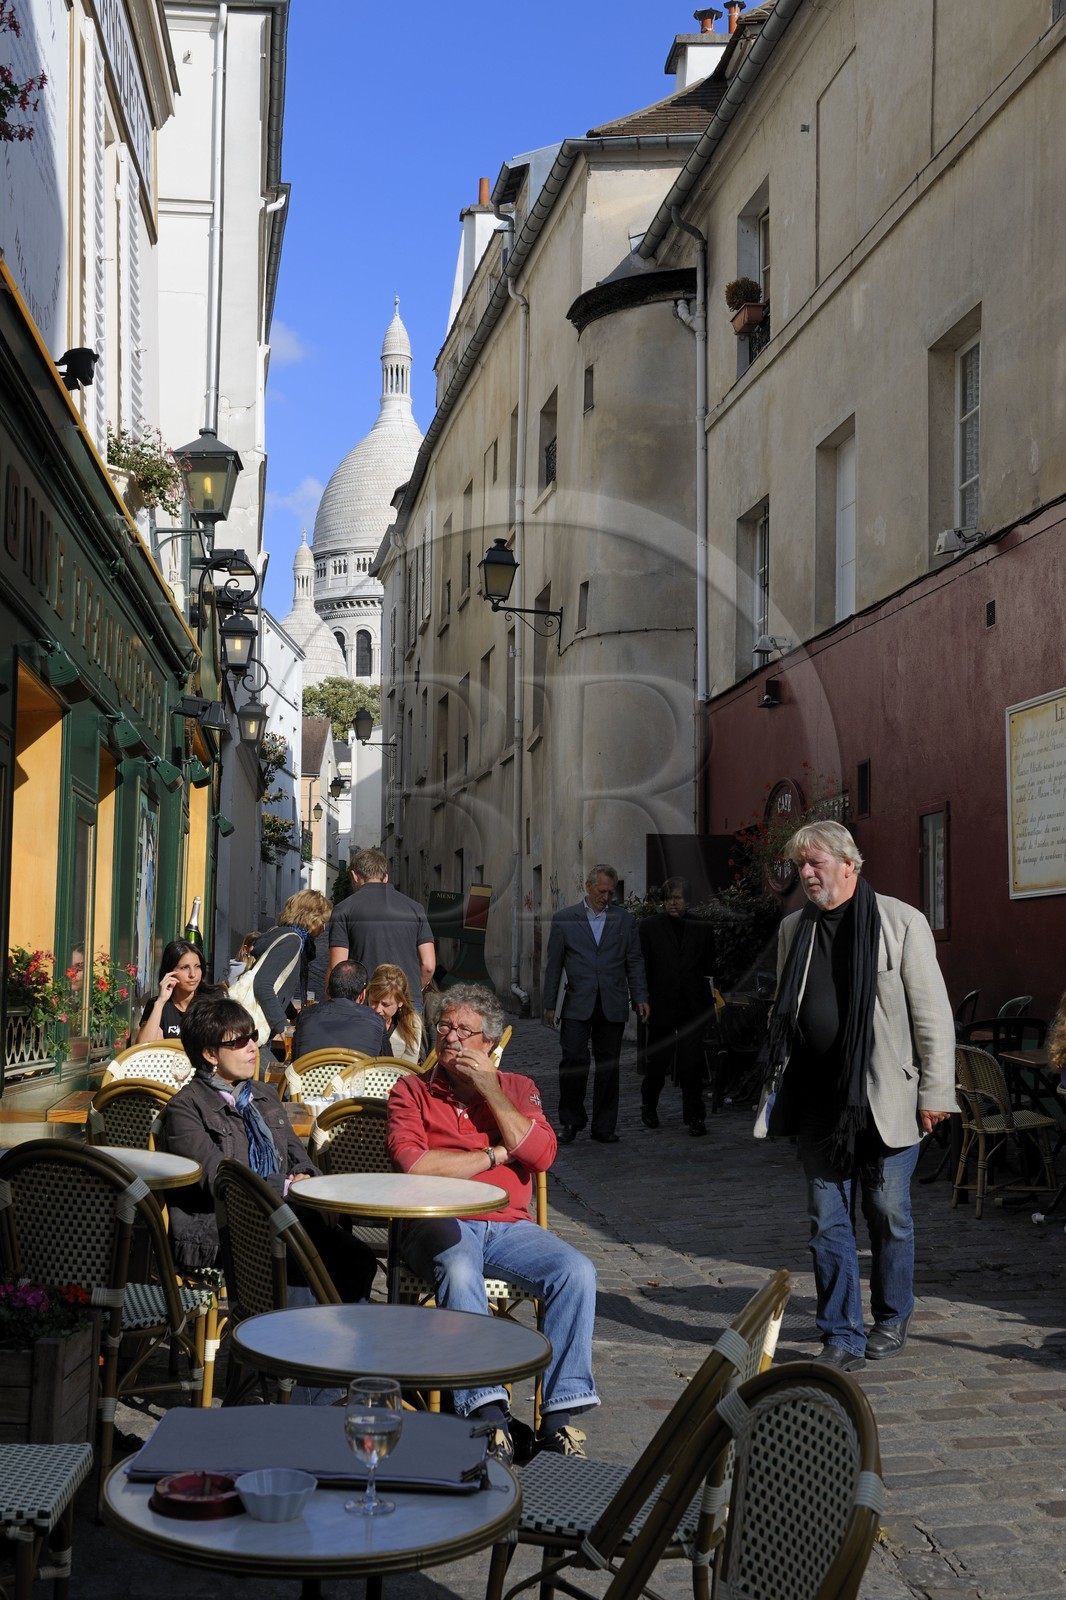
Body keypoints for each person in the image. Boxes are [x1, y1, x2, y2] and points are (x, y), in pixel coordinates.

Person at [762, 821, 955, 1370]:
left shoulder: (900, 922)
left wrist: (937, 1091)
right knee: (827, 1221)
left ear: (850, 864)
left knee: (886, 1211)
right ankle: (841, 1333)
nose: (805, 874)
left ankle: (892, 1315)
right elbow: (788, 1011)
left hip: (887, 1099)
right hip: (819, 1102)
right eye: (800, 865)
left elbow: (933, 1017)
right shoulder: (794, 929)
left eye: (815, 863)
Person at [386, 983, 599, 1464]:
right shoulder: (412, 1091)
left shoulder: (519, 1089)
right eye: (445, 1026)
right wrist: (496, 1154)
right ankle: (488, 1413)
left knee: (576, 1271)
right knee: (461, 1272)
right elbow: (416, 1166)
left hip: (507, 1227)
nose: (452, 1038)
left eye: (465, 1030)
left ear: (491, 1043)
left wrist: (491, 1090)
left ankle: (557, 1420)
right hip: (438, 1220)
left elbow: (542, 1154)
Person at [163, 994, 376, 1300]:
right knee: (298, 1269)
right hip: (223, 1230)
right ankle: (293, 1342)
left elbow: (296, 1153)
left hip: (284, 1218)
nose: (252, 1047)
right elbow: (222, 1179)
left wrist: (307, 1177)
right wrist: (290, 1190)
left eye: (254, 1037)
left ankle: (340, 1341)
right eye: (239, 1042)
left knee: (357, 1259)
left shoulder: (263, 1095)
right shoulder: (186, 1108)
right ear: (210, 1054)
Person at [543, 864, 649, 1144]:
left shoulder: (624, 920)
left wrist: (641, 997)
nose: (606, 897)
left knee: (608, 1066)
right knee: (573, 1059)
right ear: (588, 887)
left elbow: (634, 960)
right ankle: (570, 1120)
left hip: (611, 1001)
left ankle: (604, 1126)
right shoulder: (565, 919)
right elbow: (554, 964)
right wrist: (549, 1003)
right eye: (602, 891)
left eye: (611, 892)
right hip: (577, 1001)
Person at [638, 879, 718, 1137]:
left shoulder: (702, 928)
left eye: (678, 898)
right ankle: (648, 1106)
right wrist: (641, 1000)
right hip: (660, 1005)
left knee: (691, 1064)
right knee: (657, 1063)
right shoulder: (649, 928)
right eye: (669, 898)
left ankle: (695, 1116)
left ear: (688, 901)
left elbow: (709, 968)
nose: (672, 902)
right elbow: (642, 967)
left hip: (692, 1007)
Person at [327, 848, 435, 1012]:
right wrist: (410, 989)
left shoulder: (344, 909)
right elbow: (428, 965)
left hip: (367, 1002)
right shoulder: (415, 908)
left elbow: (338, 967)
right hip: (407, 1001)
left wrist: (329, 1004)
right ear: (385, 877)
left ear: (355, 876)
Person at [249, 891, 332, 1052]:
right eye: (323, 922)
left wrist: (294, 1016)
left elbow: (279, 988)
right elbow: (262, 984)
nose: (323, 928)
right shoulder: (292, 941)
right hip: (256, 1028)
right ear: (311, 917)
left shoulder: (282, 935)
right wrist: (282, 1026)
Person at [291, 960, 389, 1059]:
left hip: (310, 1073)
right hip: (358, 1074)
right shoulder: (376, 1021)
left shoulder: (305, 1016)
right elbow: (387, 1066)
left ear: (328, 991)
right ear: (362, 995)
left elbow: (294, 1062)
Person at [134, 938, 217, 1043]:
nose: (193, 974)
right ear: (170, 972)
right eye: (184, 967)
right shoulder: (157, 1005)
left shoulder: (212, 1004)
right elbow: (143, 1048)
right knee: (156, 1034)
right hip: (168, 1060)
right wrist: (160, 1002)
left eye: (197, 966)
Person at [365, 964, 423, 1064]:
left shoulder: (411, 1022)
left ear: (400, 1002)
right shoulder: (357, 1016)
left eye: (385, 1004)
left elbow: (408, 1068)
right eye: (374, 1001)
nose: (378, 1009)